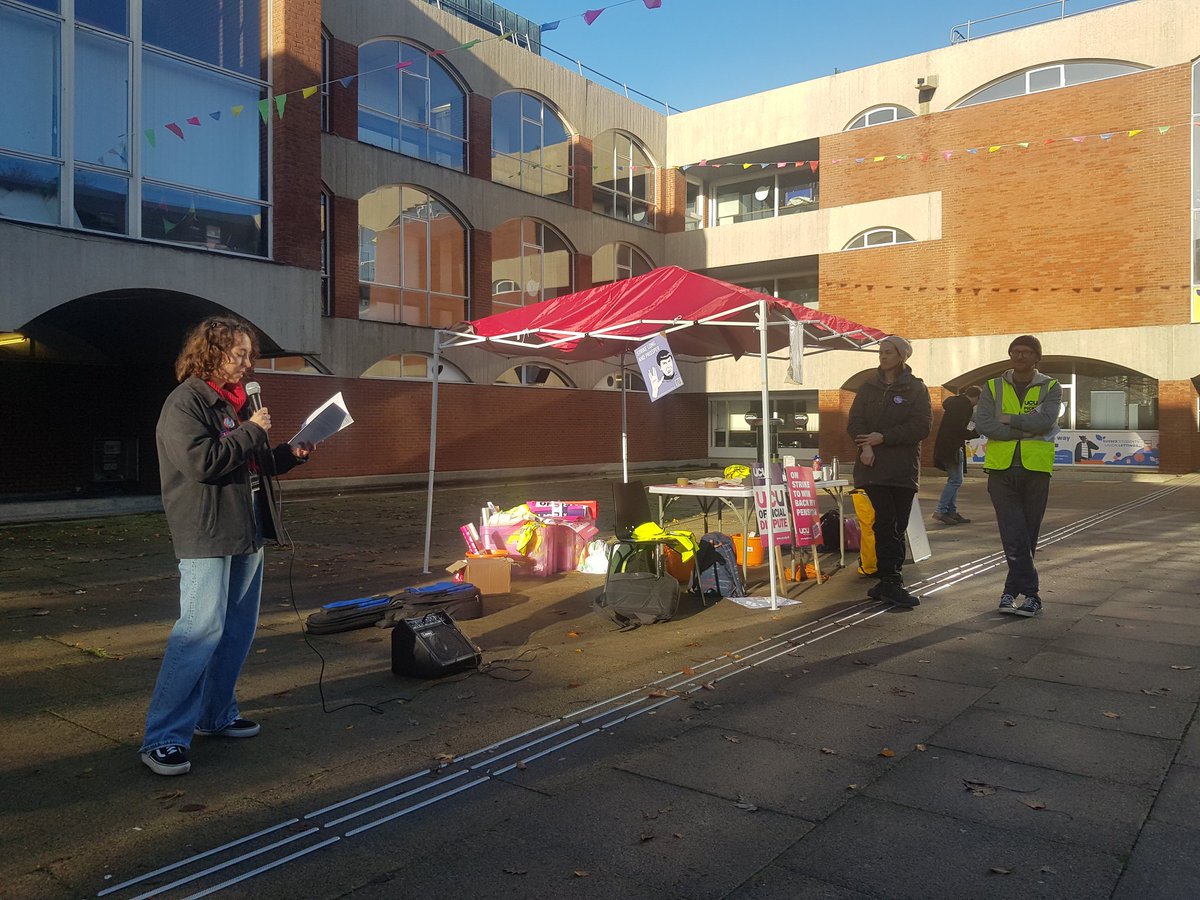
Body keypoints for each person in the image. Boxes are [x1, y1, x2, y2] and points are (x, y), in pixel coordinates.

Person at [140, 316, 313, 776]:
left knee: (236, 632)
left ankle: (215, 716)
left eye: (248, 355)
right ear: (211, 353)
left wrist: (286, 456)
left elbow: (248, 464)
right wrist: (252, 430)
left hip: (246, 530)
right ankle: (163, 737)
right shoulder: (185, 403)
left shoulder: (234, 404)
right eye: (238, 355)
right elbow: (204, 462)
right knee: (198, 633)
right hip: (207, 533)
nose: (246, 364)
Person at [974, 334, 1061, 618]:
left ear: (1037, 357)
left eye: (1025, 352)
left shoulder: (1050, 386)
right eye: (1015, 351)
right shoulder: (992, 386)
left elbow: (1046, 421)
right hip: (1001, 468)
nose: (1019, 356)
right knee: (1013, 531)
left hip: (1036, 467)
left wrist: (1010, 418)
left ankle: (1011, 592)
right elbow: (986, 423)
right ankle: (1032, 594)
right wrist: (1024, 430)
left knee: (1027, 533)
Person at [847, 335, 932, 608]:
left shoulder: (915, 388)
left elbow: (921, 427)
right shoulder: (867, 387)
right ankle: (892, 580)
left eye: (888, 352)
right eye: (880, 352)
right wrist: (865, 447)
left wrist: (884, 437)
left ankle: (887, 581)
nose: (882, 357)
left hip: (902, 469)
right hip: (872, 468)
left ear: (902, 356)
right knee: (885, 523)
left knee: (898, 524)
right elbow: (855, 421)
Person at [932, 385, 982, 525]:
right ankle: (941, 510)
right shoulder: (964, 406)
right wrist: (973, 434)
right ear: (975, 397)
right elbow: (958, 429)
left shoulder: (954, 403)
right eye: (978, 400)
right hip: (952, 447)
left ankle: (951, 510)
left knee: (954, 480)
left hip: (947, 446)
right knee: (956, 480)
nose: (977, 403)